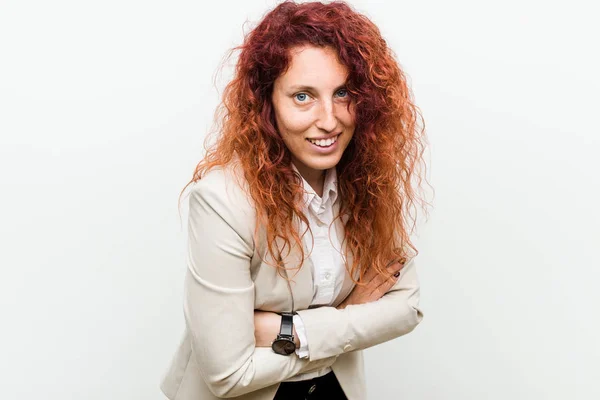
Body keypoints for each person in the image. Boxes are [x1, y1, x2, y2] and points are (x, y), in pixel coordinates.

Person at [160, 1, 430, 399]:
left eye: (342, 93)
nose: (328, 119)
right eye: (303, 96)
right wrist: (344, 321)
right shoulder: (221, 201)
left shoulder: (366, 180)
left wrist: (286, 330)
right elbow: (226, 375)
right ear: (266, 105)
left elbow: (406, 308)